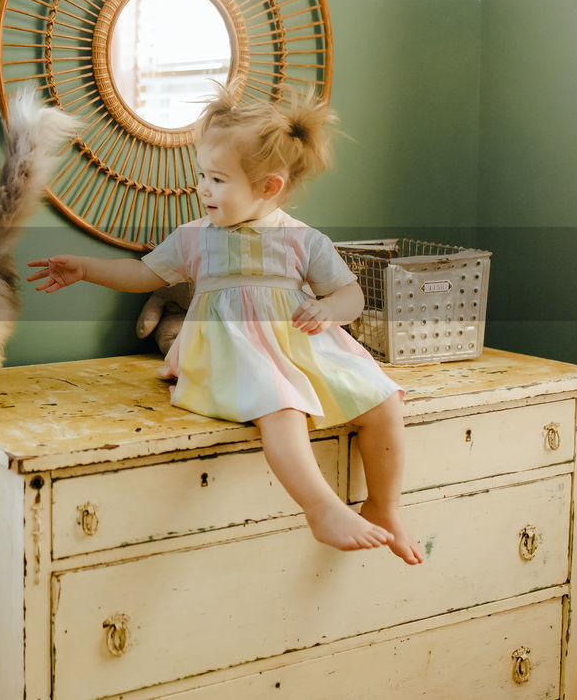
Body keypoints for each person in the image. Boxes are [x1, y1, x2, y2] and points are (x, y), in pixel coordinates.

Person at [28, 86, 422, 564]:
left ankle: (385, 505)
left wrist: (329, 309)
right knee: (280, 404)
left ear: (268, 187)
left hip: (299, 348)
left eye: (217, 179)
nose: (203, 188)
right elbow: (143, 274)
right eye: (202, 175)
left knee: (383, 398)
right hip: (230, 355)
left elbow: (351, 294)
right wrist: (87, 268)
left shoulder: (303, 240)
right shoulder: (196, 237)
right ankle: (320, 508)